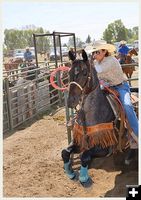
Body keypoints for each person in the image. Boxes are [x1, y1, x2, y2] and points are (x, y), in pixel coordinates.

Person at [89, 42, 138, 164]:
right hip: (107, 88)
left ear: (105, 51)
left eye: (98, 52)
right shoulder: (96, 63)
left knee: (127, 106)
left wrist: (86, 64)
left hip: (121, 87)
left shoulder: (110, 61)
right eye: (94, 52)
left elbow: (97, 71)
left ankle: (138, 133)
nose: (95, 54)